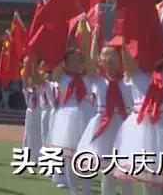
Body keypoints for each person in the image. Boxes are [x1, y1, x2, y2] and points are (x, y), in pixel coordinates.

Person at [75, 37, 134, 195]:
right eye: (105, 55)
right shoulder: (98, 80)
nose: (109, 58)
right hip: (104, 128)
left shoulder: (127, 80)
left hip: (124, 127)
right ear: (100, 61)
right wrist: (94, 39)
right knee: (108, 173)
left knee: (126, 173)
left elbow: (131, 63)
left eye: (113, 55)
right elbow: (90, 62)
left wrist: (124, 46)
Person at [44, 23, 96, 195]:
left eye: (77, 61)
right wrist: (68, 36)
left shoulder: (89, 76)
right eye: (71, 61)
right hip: (67, 118)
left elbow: (90, 59)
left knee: (87, 157)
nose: (74, 64)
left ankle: (87, 191)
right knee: (69, 157)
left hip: (87, 116)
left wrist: (88, 38)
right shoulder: (61, 77)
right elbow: (57, 66)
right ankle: (74, 191)